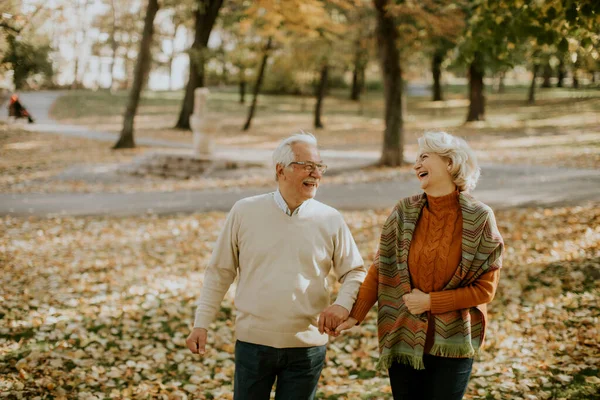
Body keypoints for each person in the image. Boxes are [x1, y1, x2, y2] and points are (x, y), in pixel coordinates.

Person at [186, 132, 367, 400]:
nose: (316, 173)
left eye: (319, 167)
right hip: (253, 345)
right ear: (280, 170)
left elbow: (355, 271)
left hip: (306, 349)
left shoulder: (330, 218)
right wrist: (201, 323)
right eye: (307, 165)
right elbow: (220, 272)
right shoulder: (244, 211)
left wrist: (342, 304)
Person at [334, 131, 504, 400]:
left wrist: (430, 302)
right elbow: (381, 268)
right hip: (403, 336)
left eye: (424, 157)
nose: (416, 165)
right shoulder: (403, 212)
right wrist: (355, 314)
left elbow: (485, 290)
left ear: (450, 163)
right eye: (416, 159)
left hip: (454, 342)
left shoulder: (479, 217)